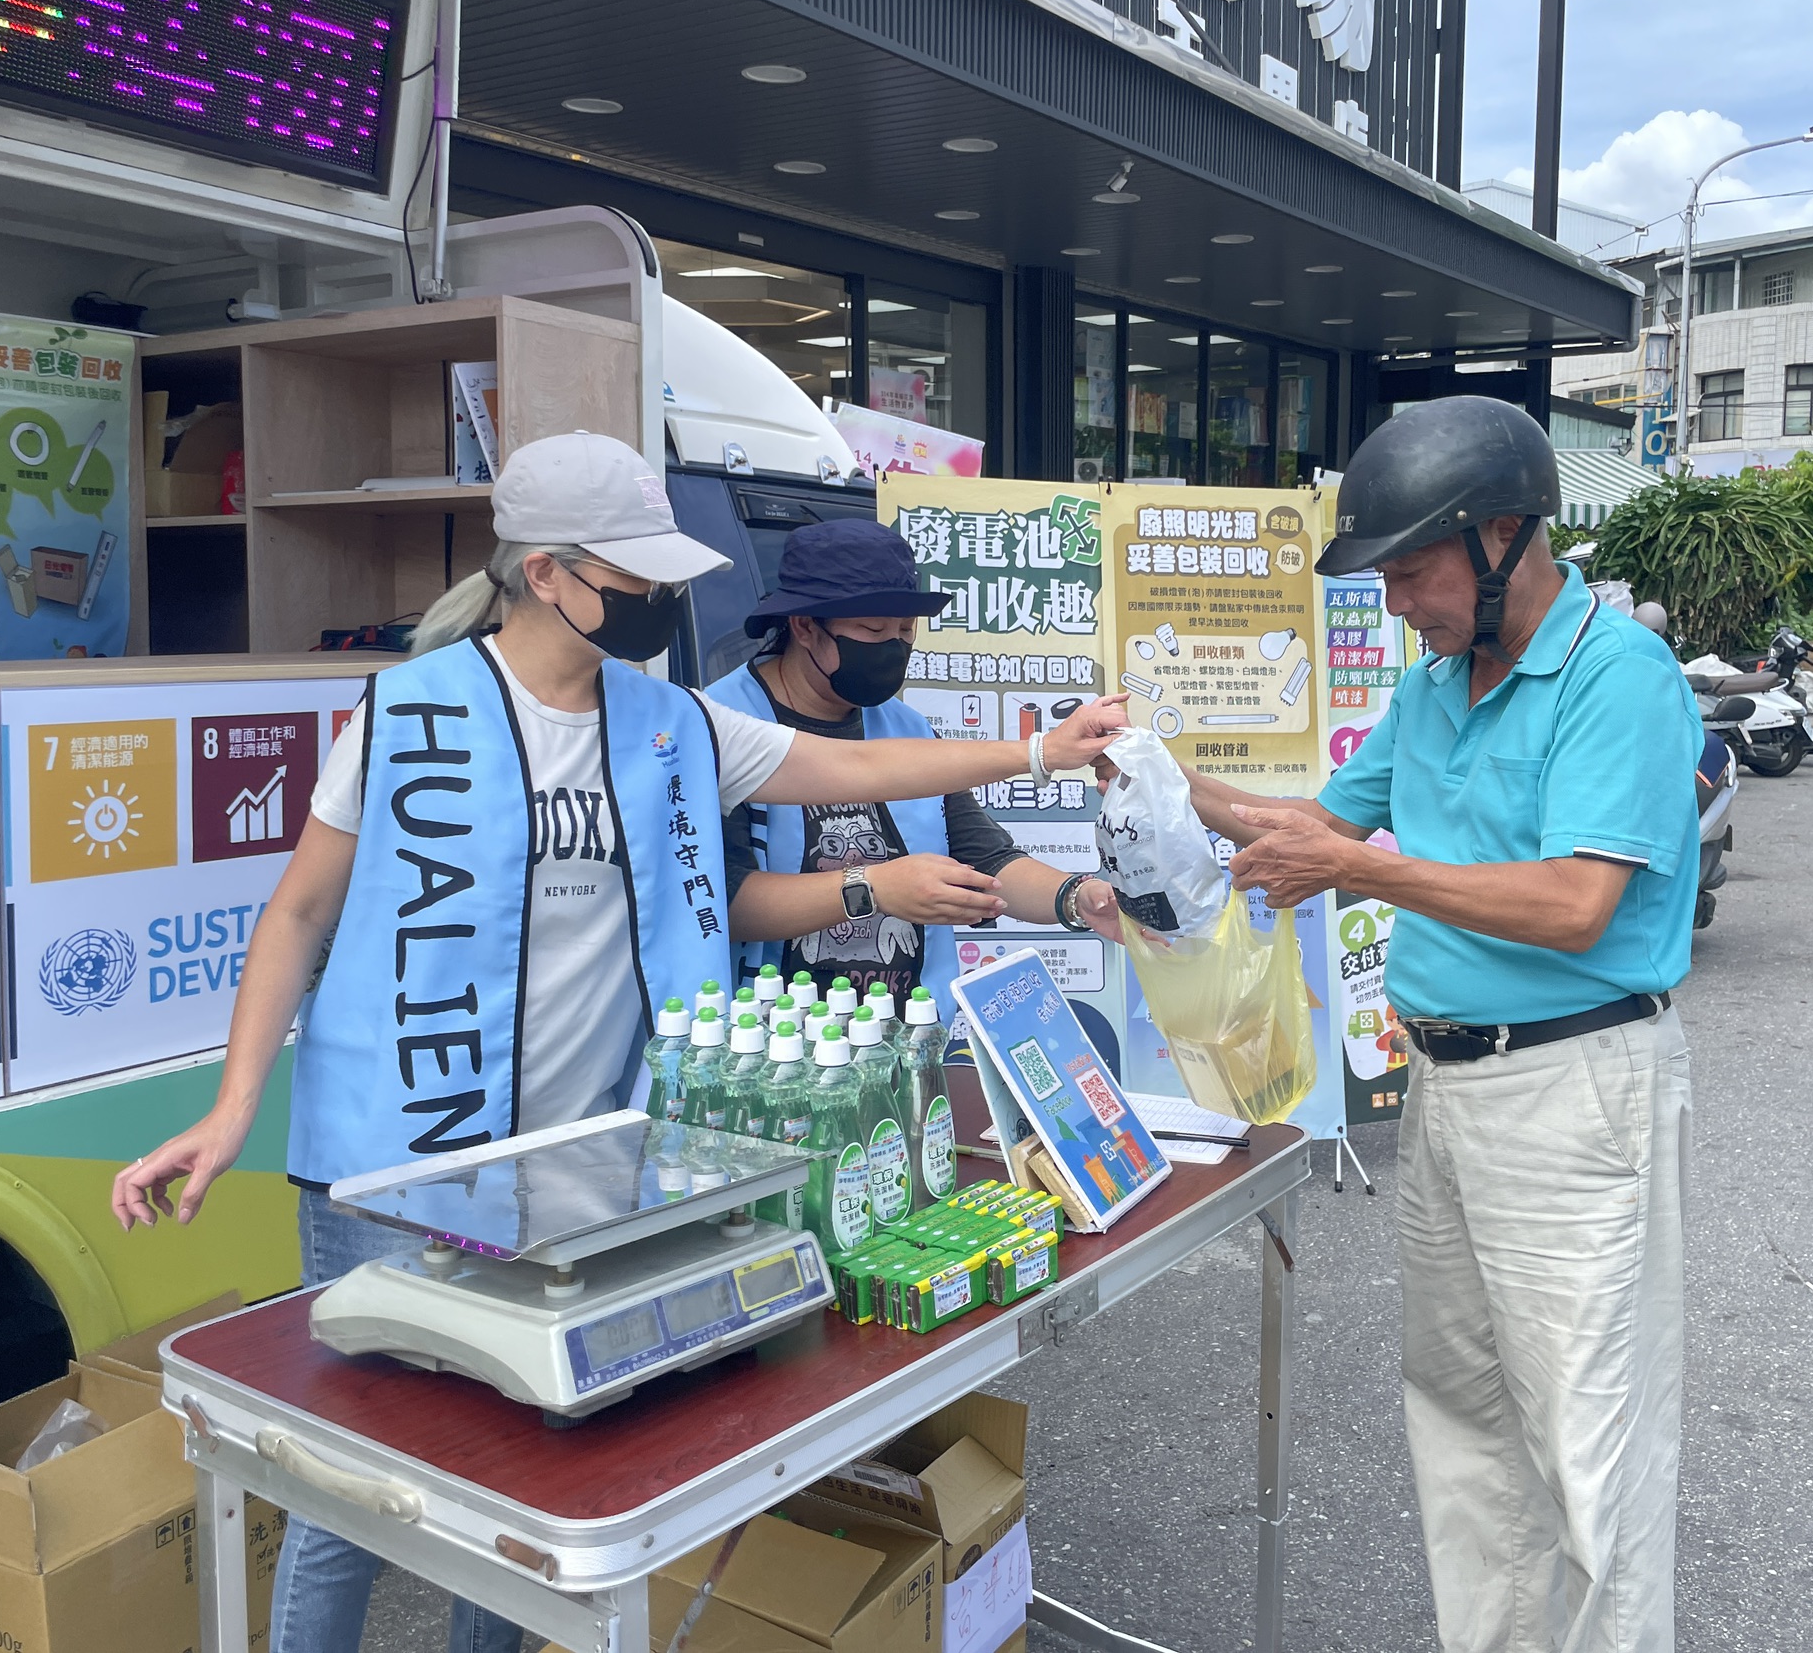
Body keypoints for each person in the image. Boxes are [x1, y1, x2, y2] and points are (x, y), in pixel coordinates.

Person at [106, 433, 1125, 1653]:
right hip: (396, 1146)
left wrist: (1037, 750)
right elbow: (300, 913)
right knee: (348, 1487)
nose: (659, 602)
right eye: (634, 580)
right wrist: (231, 1109)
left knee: (520, 1470)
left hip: (580, 1156)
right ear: (548, 573)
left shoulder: (672, 722)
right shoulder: (409, 709)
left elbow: (856, 762)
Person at [1182, 396, 1701, 1653]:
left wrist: (1359, 873)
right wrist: (1153, 775)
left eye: (1409, 572)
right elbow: (1311, 825)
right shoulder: (1432, 690)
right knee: (1464, 1415)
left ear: (1503, 536)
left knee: (1590, 1432)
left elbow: (1577, 903)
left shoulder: (1614, 674)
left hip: (1578, 1090)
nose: (1394, 602)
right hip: (1453, 1089)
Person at [710, 518, 1121, 1009]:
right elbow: (721, 901)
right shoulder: (722, 725)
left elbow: (985, 859)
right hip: (775, 1047)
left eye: (906, 630)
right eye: (872, 629)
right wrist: (871, 889)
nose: (894, 645)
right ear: (803, 626)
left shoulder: (907, 727)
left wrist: (1079, 898)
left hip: (908, 1038)